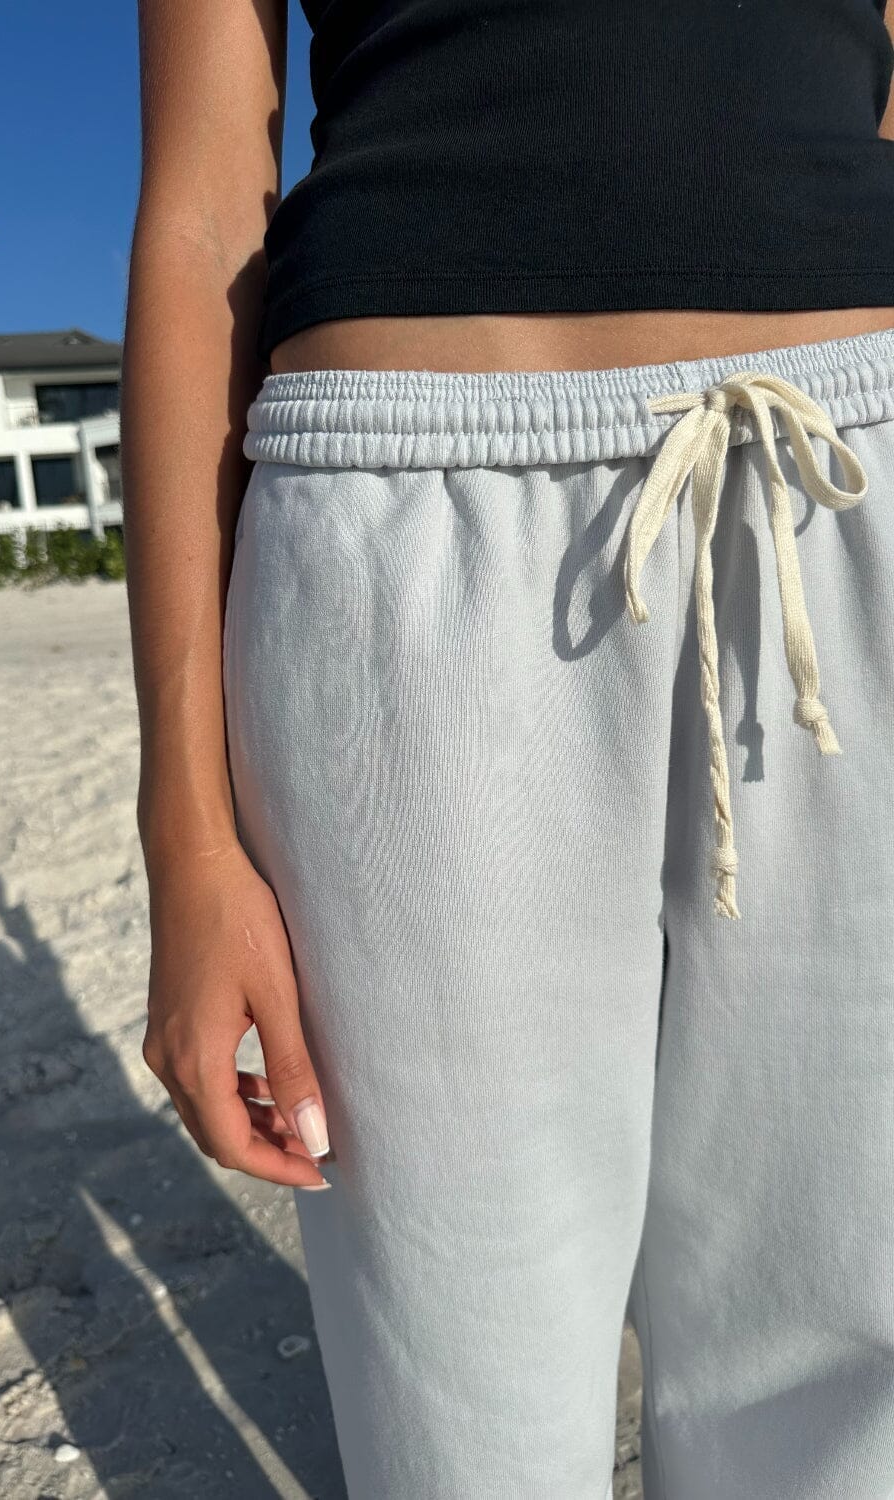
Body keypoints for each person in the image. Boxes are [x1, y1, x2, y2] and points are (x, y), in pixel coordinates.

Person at [120, 2, 894, 1495]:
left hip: (849, 476)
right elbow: (205, 204)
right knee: (455, 1382)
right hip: (407, 523)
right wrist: (187, 838)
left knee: (852, 1345)